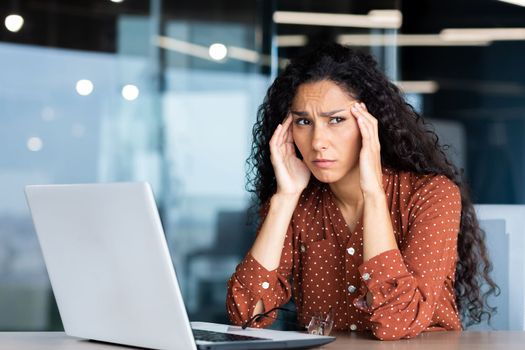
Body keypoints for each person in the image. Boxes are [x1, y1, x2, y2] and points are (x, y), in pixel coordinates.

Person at [225, 43, 497, 340]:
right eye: (304, 122)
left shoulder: (431, 195)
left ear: (370, 123)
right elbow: (246, 315)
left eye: (336, 120)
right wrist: (284, 198)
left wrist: (374, 194)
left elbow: (397, 323)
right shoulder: (296, 203)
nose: (318, 141)